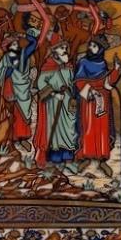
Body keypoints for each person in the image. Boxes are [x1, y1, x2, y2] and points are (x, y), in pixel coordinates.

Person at [74, 34, 121, 177]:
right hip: (89, 100)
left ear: (100, 49)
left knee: (102, 130)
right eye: (90, 45)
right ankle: (86, 157)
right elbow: (79, 81)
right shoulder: (83, 62)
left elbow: (107, 83)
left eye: (94, 46)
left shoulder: (102, 63)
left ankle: (102, 159)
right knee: (88, 128)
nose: (90, 48)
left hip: (103, 100)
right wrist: (91, 91)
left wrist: (116, 69)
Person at [33, 39, 78, 174]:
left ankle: (68, 158)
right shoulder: (48, 66)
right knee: (55, 129)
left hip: (67, 103)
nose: (65, 50)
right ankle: (55, 159)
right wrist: (54, 94)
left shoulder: (68, 67)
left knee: (70, 128)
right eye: (61, 48)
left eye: (65, 48)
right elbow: (41, 84)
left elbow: (73, 83)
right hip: (53, 104)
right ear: (54, 51)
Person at [0, 32, 38, 152]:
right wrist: (8, 73)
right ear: (8, 47)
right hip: (11, 89)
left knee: (24, 114)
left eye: (16, 43)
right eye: (13, 44)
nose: (17, 45)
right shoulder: (6, 58)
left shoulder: (24, 54)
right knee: (13, 115)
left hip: (24, 89)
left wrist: (23, 35)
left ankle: (23, 138)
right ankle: (13, 139)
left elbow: (34, 43)